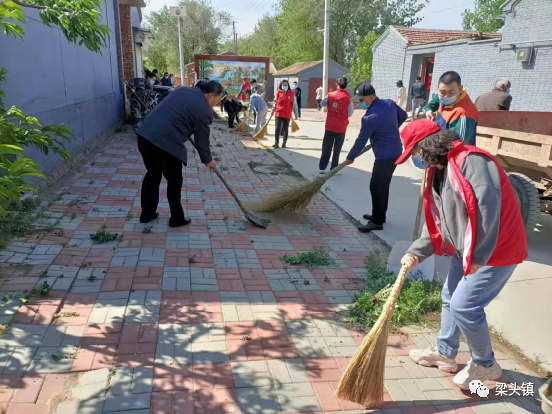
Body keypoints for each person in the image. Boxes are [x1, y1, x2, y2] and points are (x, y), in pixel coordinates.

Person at [396, 119, 527, 389]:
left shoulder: (473, 161)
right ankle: (445, 352)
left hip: (495, 250)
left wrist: (478, 256)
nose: (416, 160)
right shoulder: (440, 171)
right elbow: (438, 221)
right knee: (449, 297)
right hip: (466, 249)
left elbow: (488, 212)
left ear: (428, 146)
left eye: (415, 153)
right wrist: (417, 252)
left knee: (465, 305)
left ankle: (486, 365)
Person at [135, 81, 223, 227]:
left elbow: (169, 106)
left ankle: (147, 214)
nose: (216, 104)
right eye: (218, 100)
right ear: (211, 95)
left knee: (153, 174)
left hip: (145, 135)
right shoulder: (204, 110)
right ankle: (176, 218)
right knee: (174, 180)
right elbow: (202, 141)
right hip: (165, 142)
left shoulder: (183, 90)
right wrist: (209, 160)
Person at [345, 81, 407, 233]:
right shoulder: (389, 103)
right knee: (383, 185)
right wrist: (390, 128)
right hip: (396, 151)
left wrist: (351, 156)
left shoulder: (370, 118)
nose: (359, 102)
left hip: (385, 156)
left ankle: (377, 222)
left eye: (362, 99)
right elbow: (404, 115)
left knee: (376, 187)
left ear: (372, 97)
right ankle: (380, 215)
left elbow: (361, 140)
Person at [424, 71, 479, 145]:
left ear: (460, 89)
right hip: (440, 138)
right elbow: (431, 105)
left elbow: (459, 142)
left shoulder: (464, 113)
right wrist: (429, 111)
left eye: (451, 93)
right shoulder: (441, 95)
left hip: (454, 151)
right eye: (442, 92)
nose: (446, 96)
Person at [318, 77, 354, 174]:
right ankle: (334, 168)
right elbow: (350, 112)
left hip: (330, 125)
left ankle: (322, 167)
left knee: (326, 147)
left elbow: (322, 103)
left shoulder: (330, 95)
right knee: (337, 149)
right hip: (341, 127)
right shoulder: (348, 98)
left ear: (336, 84)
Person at [271, 79, 299, 149]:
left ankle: (284, 143)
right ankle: (276, 143)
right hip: (279, 113)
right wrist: (272, 110)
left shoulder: (291, 94)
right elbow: (275, 102)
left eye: (286, 85)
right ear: (281, 85)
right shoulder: (278, 93)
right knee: (277, 128)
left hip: (287, 114)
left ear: (288, 85)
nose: (285, 86)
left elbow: (295, 105)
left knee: (285, 129)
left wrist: (296, 114)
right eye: (283, 85)